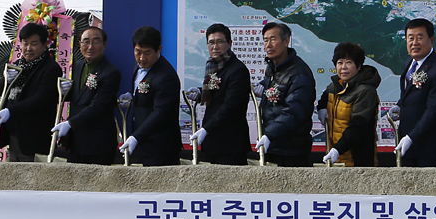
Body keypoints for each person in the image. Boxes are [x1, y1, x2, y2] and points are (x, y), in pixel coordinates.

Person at [0, 21, 62, 162]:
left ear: (44, 45)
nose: (28, 48)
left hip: (34, 137)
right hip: (12, 134)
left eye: (34, 44)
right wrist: (6, 79)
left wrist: (11, 111)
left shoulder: (51, 68)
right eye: (25, 43)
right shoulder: (18, 64)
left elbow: (41, 99)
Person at [53, 25, 122, 165]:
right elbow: (79, 97)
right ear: (80, 44)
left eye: (95, 41)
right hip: (76, 141)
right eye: (86, 41)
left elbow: (98, 106)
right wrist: (65, 92)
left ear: (104, 44)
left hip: (97, 143)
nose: (90, 46)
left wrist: (70, 123)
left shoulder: (111, 72)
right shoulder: (78, 66)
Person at [390, 18, 436, 168]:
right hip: (407, 146)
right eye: (410, 38)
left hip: (430, 149)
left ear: (431, 40)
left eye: (419, 38)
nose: (414, 43)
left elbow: (434, 109)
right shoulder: (409, 62)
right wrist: (399, 106)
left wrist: (411, 137)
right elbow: (410, 93)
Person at [187, 23, 252, 166]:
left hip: (230, 143)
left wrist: (206, 129)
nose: (215, 47)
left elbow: (231, 105)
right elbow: (216, 93)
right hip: (213, 142)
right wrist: (200, 93)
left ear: (229, 43)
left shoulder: (238, 70)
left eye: (220, 42)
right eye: (211, 42)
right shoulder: (213, 66)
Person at [118, 25, 182, 167]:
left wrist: (136, 137)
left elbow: (160, 113)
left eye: (147, 53)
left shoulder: (166, 76)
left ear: (159, 49)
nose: (142, 58)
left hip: (161, 146)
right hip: (142, 144)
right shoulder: (139, 65)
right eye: (138, 52)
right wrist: (131, 95)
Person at [255, 22, 316, 167]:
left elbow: (294, 112)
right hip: (274, 145)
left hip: (292, 150)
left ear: (286, 41)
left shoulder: (299, 73)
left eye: (273, 39)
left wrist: (270, 134)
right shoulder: (273, 67)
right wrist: (263, 85)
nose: (268, 45)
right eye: (265, 40)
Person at [317, 41, 380, 167]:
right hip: (336, 157)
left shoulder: (366, 91)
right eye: (340, 62)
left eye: (349, 62)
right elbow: (324, 98)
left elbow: (358, 126)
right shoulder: (336, 85)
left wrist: (338, 149)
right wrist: (321, 108)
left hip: (357, 160)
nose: (343, 67)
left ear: (359, 66)